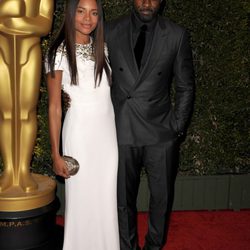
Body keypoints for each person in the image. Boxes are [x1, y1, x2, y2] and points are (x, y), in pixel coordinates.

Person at [105, 0, 195, 249]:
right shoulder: (111, 30)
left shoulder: (176, 35)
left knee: (161, 198)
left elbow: (186, 86)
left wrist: (177, 126)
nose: (146, 2)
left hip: (161, 131)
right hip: (122, 129)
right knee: (123, 200)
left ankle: (154, 246)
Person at [45, 0, 119, 249]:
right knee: (81, 204)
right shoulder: (58, 52)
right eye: (81, 11)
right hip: (79, 139)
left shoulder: (104, 50)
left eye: (94, 12)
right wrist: (56, 154)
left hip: (108, 141)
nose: (88, 18)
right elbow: (54, 107)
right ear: (70, 13)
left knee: (106, 202)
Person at [0, 0, 53, 192]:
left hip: (29, 52)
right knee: (6, 113)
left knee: (26, 112)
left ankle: (23, 170)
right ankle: (9, 171)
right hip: (2, 51)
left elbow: (44, 24)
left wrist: (14, 24)